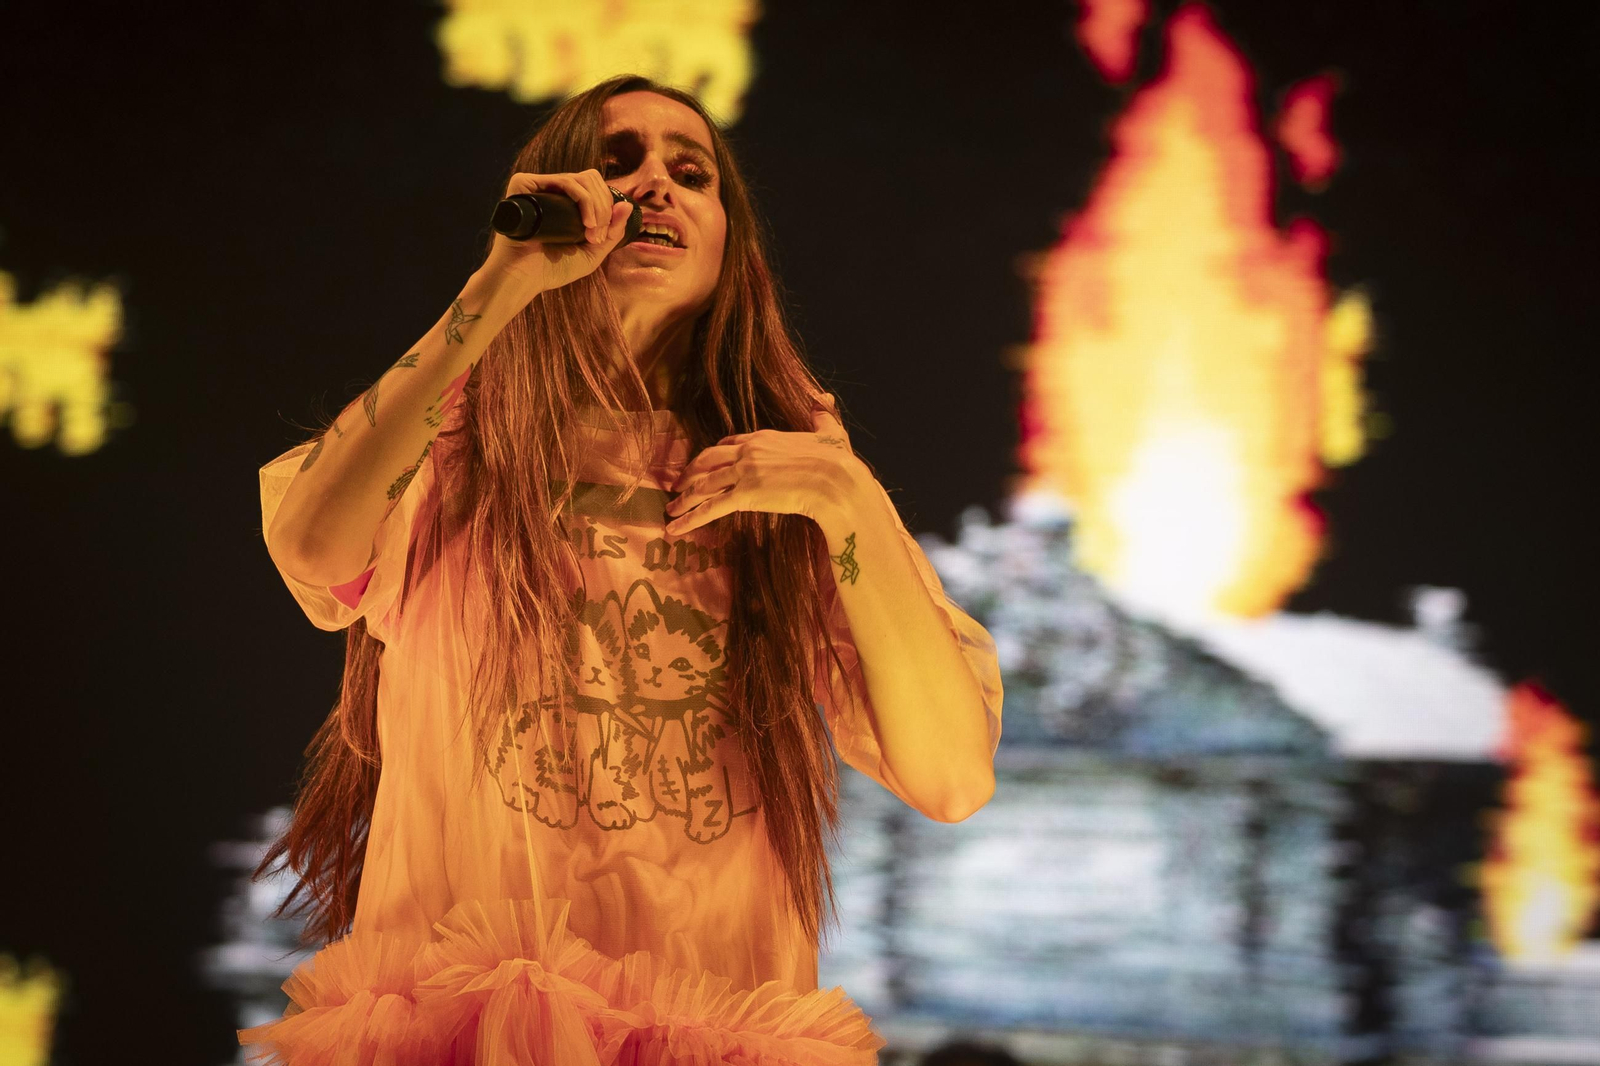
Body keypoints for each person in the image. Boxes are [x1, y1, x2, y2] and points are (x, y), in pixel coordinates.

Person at [240, 74, 1004, 1065]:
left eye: (692, 173)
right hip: (466, 1024)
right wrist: (499, 284)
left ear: (732, 245)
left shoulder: (788, 480)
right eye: (616, 162)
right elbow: (311, 548)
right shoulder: (448, 446)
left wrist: (847, 502)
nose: (655, 186)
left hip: (715, 1026)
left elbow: (949, 776)